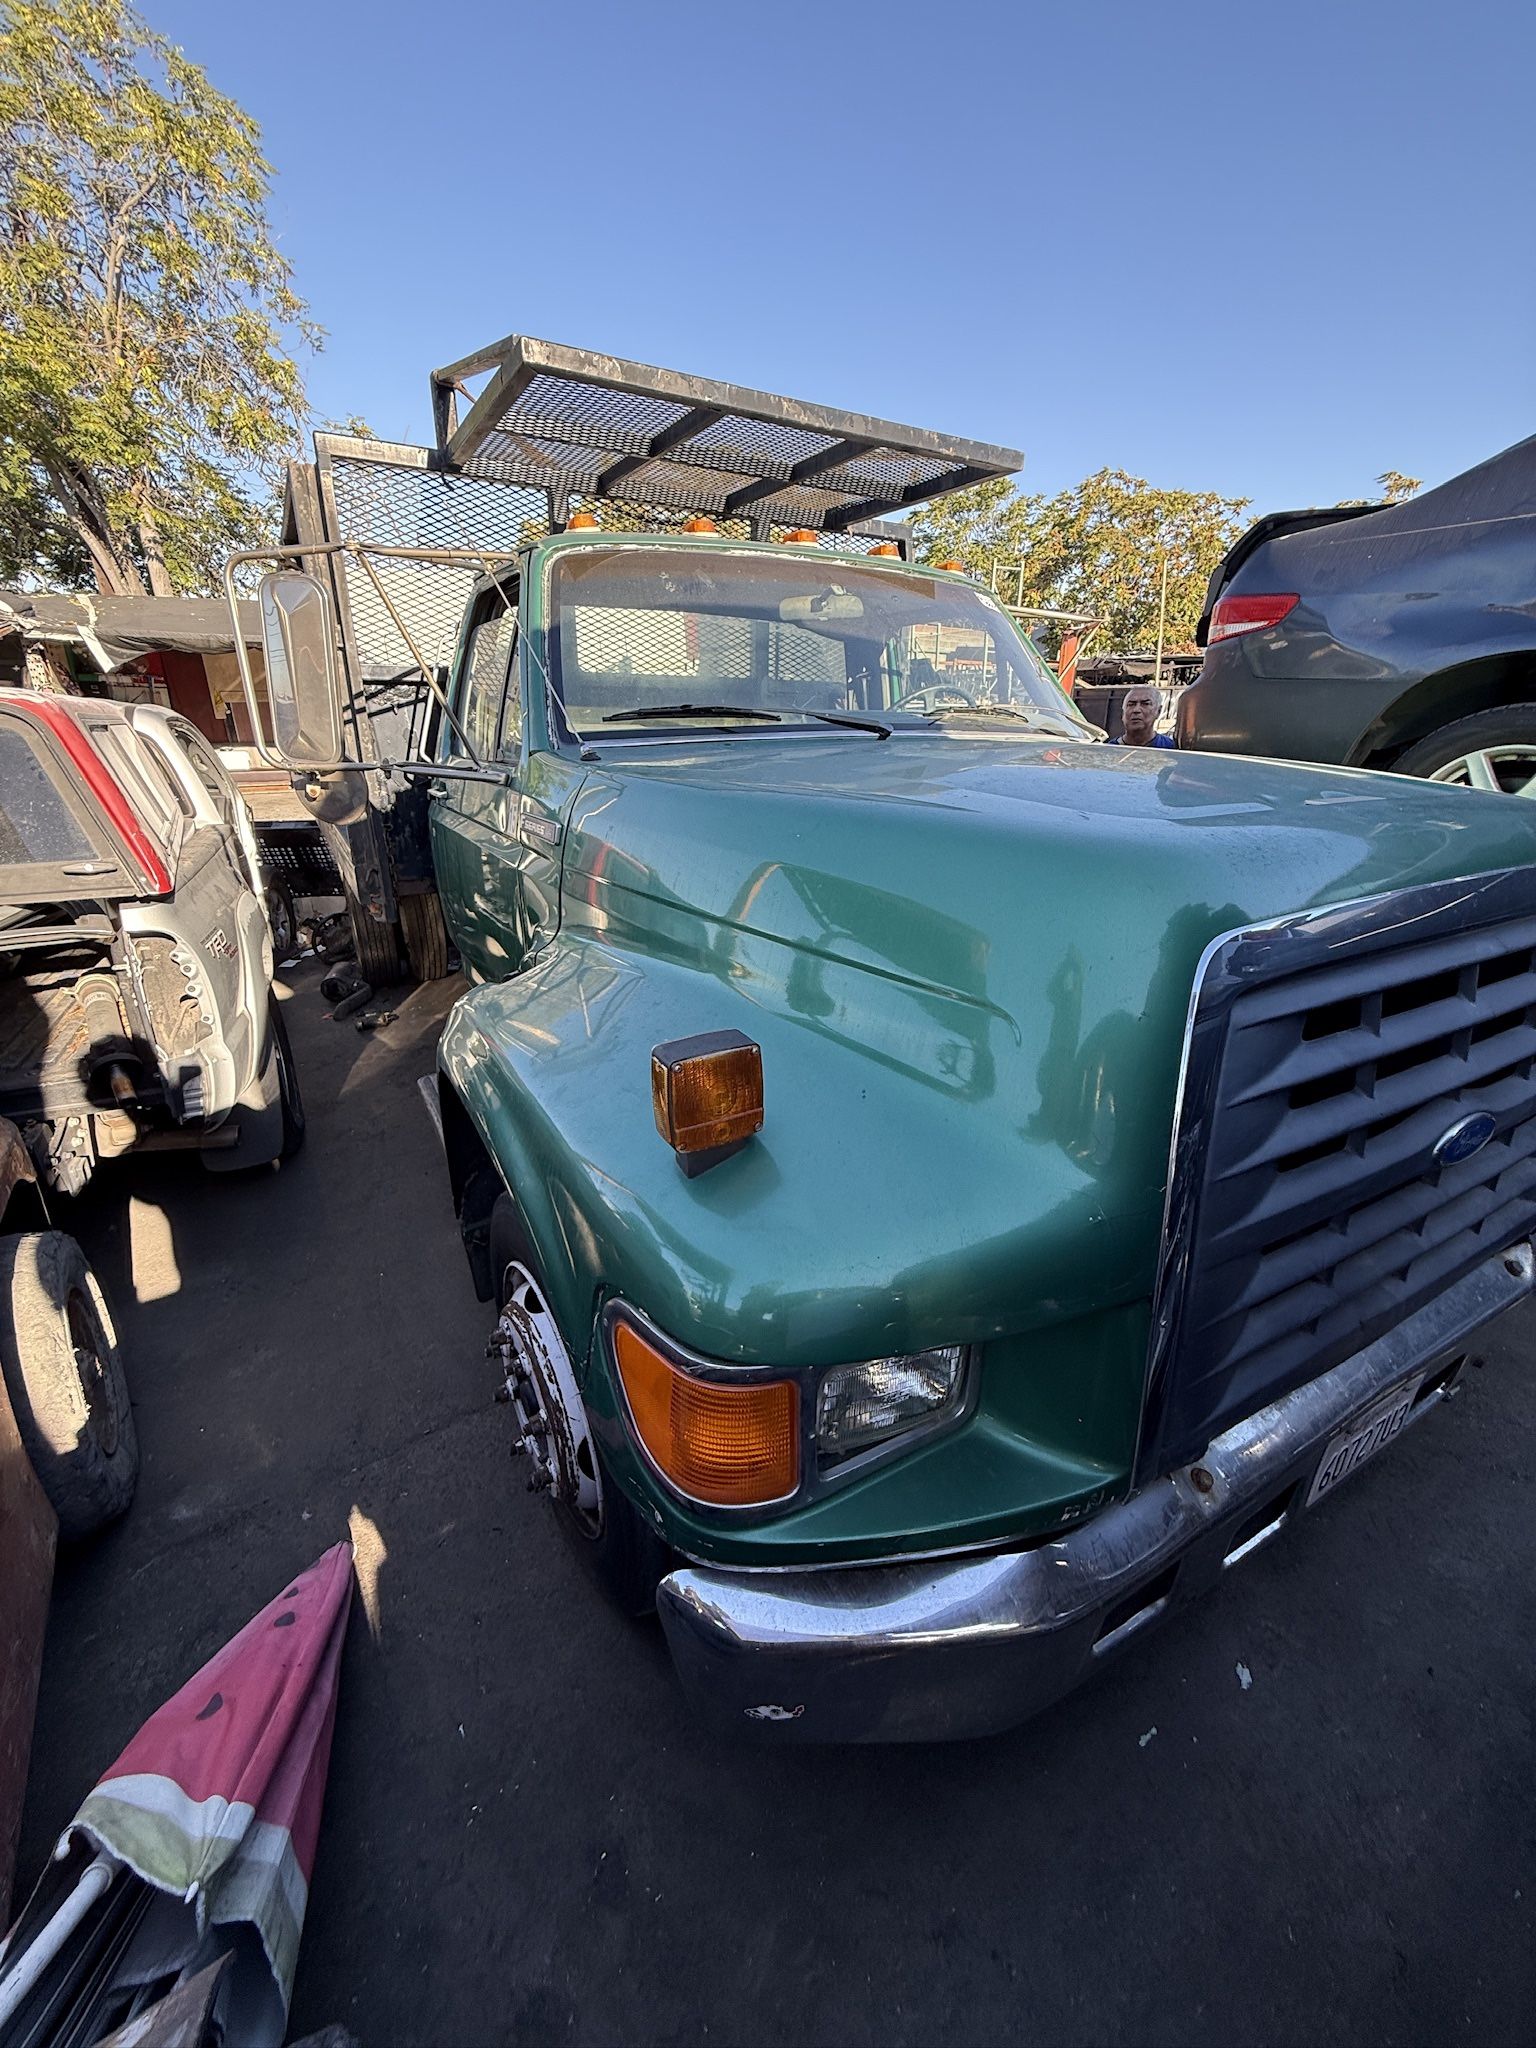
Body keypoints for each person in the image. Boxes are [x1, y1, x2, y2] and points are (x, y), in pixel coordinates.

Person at [1116, 683, 1176, 748]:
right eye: (1131, 704)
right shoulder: (1108, 750)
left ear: (1158, 711)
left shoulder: (1171, 749)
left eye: (1145, 704)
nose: (1136, 710)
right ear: (1123, 713)